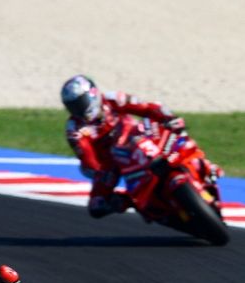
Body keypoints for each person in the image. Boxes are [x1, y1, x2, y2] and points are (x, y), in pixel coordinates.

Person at [59, 75, 216, 219]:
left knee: (178, 136)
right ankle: (130, 200)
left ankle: (203, 166)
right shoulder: (74, 129)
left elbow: (146, 107)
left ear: (92, 94)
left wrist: (169, 118)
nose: (77, 109)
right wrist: (98, 170)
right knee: (96, 206)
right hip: (111, 160)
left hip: (136, 135)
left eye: (80, 103)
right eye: (72, 106)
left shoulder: (113, 99)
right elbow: (87, 156)